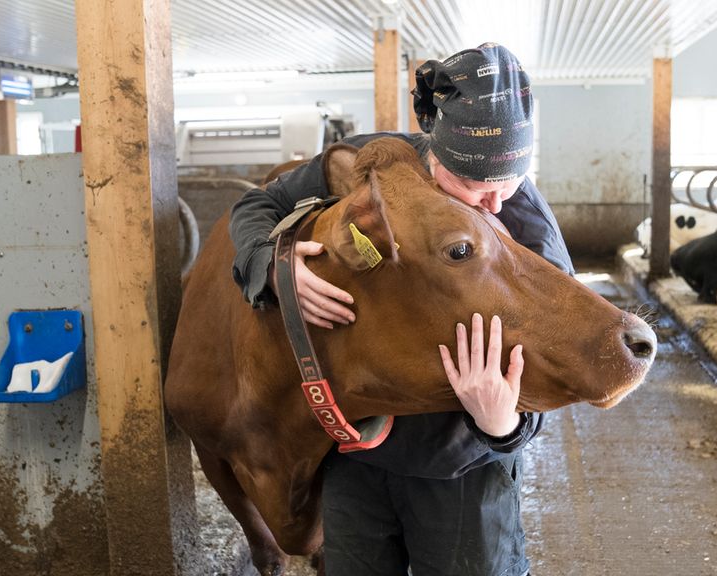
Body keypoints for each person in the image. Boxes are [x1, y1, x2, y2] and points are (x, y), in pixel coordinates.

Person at [229, 42, 574, 576]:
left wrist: (504, 425)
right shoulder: (375, 167)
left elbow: (561, 357)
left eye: (507, 184)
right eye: (476, 187)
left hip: (461, 462)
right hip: (357, 447)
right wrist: (273, 265)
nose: (495, 205)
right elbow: (258, 204)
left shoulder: (527, 228)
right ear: (436, 156)